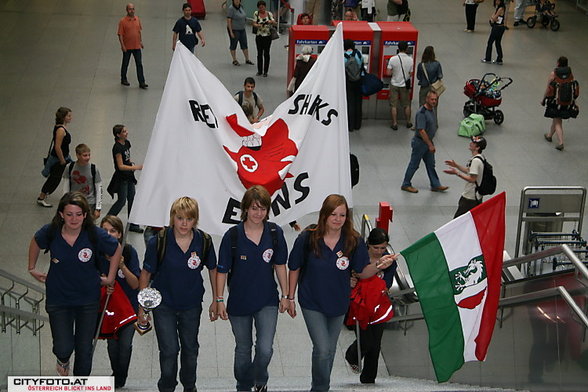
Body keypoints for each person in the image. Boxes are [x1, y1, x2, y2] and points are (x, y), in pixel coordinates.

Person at [286, 194, 396, 392]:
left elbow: (363, 272)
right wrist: (289, 297)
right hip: (312, 301)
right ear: (324, 215)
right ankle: (320, 388)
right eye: (333, 214)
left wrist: (380, 265)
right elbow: (294, 267)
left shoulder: (352, 240)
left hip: (338, 303)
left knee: (328, 350)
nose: (337, 219)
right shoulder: (308, 237)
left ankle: (321, 386)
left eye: (342, 215)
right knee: (321, 349)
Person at [28, 192, 121, 376]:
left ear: (85, 215)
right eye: (69, 214)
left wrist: (110, 278)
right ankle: (63, 359)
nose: (74, 219)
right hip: (58, 299)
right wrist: (31, 267)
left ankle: (81, 385)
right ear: (61, 214)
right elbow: (36, 242)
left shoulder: (94, 234)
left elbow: (116, 249)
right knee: (63, 346)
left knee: (84, 349)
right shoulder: (51, 231)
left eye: (79, 214)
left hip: (87, 300)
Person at [138, 196, 217, 392]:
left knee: (190, 349)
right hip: (164, 305)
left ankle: (189, 386)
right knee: (169, 350)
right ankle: (166, 387)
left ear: (195, 220)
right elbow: (146, 273)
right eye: (180, 218)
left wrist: (217, 299)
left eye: (189, 219)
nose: (184, 223)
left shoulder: (204, 241)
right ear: (172, 217)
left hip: (191, 304)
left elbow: (213, 269)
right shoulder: (159, 241)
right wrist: (142, 306)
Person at [216, 185, 289, 392]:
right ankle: (243, 385)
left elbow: (280, 265)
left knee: (265, 349)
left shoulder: (275, 232)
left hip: (267, 300)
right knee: (243, 349)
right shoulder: (232, 236)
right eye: (254, 208)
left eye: (263, 209)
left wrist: (286, 295)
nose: (259, 213)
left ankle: (260, 379)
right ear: (245, 209)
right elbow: (222, 271)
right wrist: (219, 300)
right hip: (239, 302)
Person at [344, 228, 397, 384]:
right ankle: (352, 355)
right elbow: (346, 272)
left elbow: (387, 281)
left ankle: (368, 379)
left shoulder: (388, 261)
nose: (379, 252)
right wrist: (350, 280)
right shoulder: (358, 256)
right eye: (376, 248)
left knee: (376, 344)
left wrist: (383, 287)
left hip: (378, 307)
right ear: (368, 245)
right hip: (359, 305)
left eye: (383, 248)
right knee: (366, 340)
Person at [98, 215, 140, 388]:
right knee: (112, 344)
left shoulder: (129, 252)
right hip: (108, 307)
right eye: (104, 230)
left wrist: (122, 266)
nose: (108, 234)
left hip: (128, 308)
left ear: (120, 234)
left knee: (125, 345)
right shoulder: (96, 253)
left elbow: (135, 283)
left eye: (113, 231)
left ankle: (120, 377)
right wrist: (103, 282)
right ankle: (116, 374)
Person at [401, 90, 448, 194]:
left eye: (435, 99)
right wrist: (430, 144)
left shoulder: (432, 110)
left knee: (431, 164)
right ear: (427, 99)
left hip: (427, 142)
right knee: (414, 164)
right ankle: (406, 184)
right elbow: (421, 130)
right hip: (420, 143)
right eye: (432, 99)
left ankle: (435, 184)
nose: (434, 101)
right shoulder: (422, 113)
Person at [106, 124, 143, 233]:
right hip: (122, 178)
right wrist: (135, 167)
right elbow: (120, 166)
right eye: (124, 131)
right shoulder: (117, 147)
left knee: (132, 199)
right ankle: (108, 220)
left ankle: (133, 224)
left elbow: (127, 158)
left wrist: (131, 164)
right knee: (121, 200)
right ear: (118, 135)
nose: (127, 133)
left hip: (129, 176)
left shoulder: (126, 143)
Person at [444, 136, 487, 218]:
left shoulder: (475, 161)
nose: (471, 143)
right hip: (476, 196)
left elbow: (472, 179)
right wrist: (456, 165)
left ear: (477, 147)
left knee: (457, 222)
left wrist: (457, 173)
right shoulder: (480, 158)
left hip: (470, 197)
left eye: (474, 143)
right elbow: (469, 170)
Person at [38, 107, 74, 208]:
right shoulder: (61, 130)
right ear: (63, 117)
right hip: (59, 159)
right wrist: (62, 160)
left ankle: (69, 194)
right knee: (54, 178)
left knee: (70, 174)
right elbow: (57, 146)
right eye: (69, 116)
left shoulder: (60, 127)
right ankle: (42, 197)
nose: (71, 118)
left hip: (65, 156)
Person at [542, 56, 579, 151]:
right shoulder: (570, 73)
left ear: (558, 63)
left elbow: (548, 88)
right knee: (556, 119)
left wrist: (543, 99)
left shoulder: (554, 74)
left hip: (556, 101)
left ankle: (560, 142)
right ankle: (549, 135)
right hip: (567, 102)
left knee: (558, 121)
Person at [63, 144, 103, 220]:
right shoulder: (70, 167)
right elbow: (66, 187)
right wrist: (65, 203)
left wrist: (98, 208)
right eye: (85, 155)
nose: (87, 158)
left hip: (90, 203)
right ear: (77, 155)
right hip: (74, 202)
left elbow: (99, 188)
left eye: (89, 155)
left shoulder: (93, 168)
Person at [117, 3, 148, 89]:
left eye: (133, 9)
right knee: (125, 63)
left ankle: (142, 82)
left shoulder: (137, 19)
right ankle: (123, 78)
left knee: (139, 64)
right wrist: (122, 45)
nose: (132, 11)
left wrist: (140, 41)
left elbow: (139, 32)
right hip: (127, 47)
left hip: (137, 46)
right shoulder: (122, 21)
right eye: (130, 9)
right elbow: (120, 34)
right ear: (127, 10)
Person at [386, 41, 413, 130]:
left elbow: (388, 72)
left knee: (394, 105)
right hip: (404, 85)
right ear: (406, 49)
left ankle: (394, 123)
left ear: (398, 48)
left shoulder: (393, 59)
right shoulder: (410, 59)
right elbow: (411, 73)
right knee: (406, 105)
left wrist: (395, 72)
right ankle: (408, 122)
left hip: (394, 84)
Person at [415, 46, 443, 122]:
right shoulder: (437, 64)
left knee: (422, 105)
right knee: (434, 105)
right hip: (434, 88)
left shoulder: (421, 65)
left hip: (424, 87)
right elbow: (440, 75)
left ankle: (421, 122)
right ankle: (434, 123)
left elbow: (418, 77)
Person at [344, 39, 364, 132]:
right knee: (358, 102)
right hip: (359, 80)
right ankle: (357, 124)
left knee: (350, 102)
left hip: (349, 82)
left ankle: (350, 125)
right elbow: (362, 66)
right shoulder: (359, 54)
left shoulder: (343, 56)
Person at [253, 1, 277, 78]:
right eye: (260, 7)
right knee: (259, 53)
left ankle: (265, 71)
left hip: (267, 36)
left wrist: (270, 21)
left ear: (265, 7)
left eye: (263, 7)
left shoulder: (269, 14)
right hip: (259, 35)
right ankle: (259, 70)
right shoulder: (256, 14)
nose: (261, 9)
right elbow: (254, 23)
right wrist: (258, 25)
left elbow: (274, 22)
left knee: (266, 53)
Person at [227, 0, 253, 66]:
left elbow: (243, 16)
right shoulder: (231, 9)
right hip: (235, 29)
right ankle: (234, 60)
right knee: (233, 44)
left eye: (238, 0)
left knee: (244, 44)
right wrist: (231, 31)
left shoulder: (241, 7)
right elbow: (229, 20)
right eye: (235, 0)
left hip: (242, 29)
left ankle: (247, 59)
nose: (237, 1)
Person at [481, 0, 506, 65]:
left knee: (490, 42)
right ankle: (499, 59)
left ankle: (488, 58)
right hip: (501, 27)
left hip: (497, 28)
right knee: (497, 43)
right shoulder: (502, 7)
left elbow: (494, 18)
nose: (496, 2)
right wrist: (493, 18)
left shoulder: (500, 8)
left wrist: (492, 17)